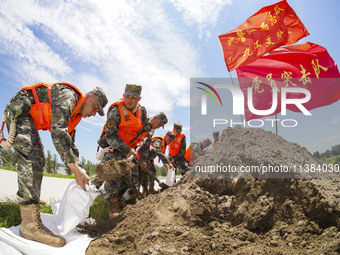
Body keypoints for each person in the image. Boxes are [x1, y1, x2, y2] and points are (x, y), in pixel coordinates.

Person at [0, 82, 107, 247]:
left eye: (98, 112)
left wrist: (79, 170)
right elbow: (58, 132)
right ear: (89, 96)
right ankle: (29, 226)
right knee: (32, 156)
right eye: (95, 107)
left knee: (38, 158)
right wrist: (75, 170)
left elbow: (69, 145)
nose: (94, 113)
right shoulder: (69, 97)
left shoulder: (74, 116)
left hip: (27, 117)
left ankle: (31, 201)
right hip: (21, 110)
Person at [94, 84, 149, 219]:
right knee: (111, 171)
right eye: (127, 97)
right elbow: (110, 136)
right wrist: (127, 149)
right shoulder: (115, 110)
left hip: (129, 148)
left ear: (139, 99)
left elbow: (144, 125)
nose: (129, 100)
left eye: (133, 98)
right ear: (123, 96)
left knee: (129, 174)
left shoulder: (142, 111)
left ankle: (125, 200)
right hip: (114, 146)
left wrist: (148, 129)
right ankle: (113, 205)